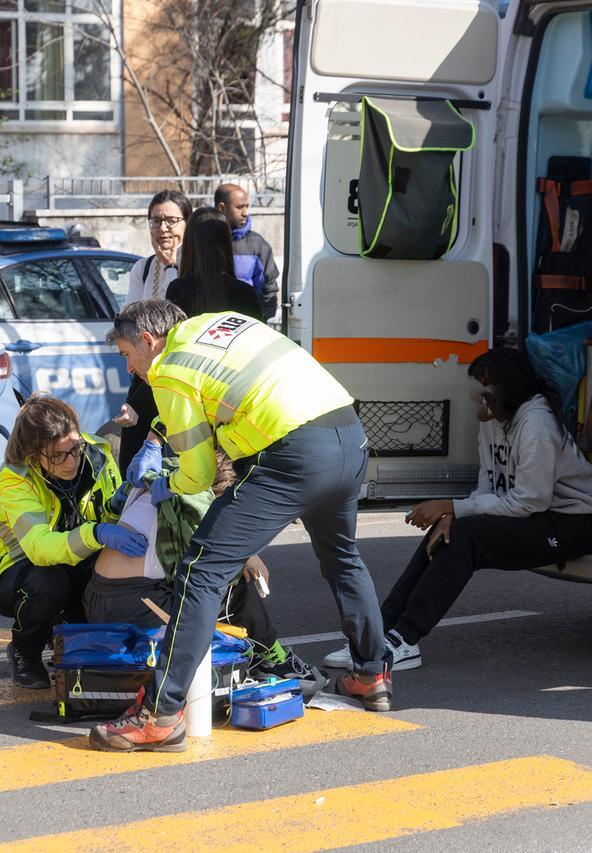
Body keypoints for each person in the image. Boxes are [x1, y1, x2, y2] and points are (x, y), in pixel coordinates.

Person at [90, 301, 392, 753]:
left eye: (125, 354)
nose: (131, 368)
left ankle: (160, 714)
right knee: (343, 559)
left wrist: (164, 481)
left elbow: (194, 473)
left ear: (148, 342)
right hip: (349, 437)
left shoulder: (169, 368)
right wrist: (159, 431)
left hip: (291, 456)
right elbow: (218, 392)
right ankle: (372, 676)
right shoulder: (223, 324)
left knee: (201, 570)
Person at [358, 347, 592, 672]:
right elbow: (490, 487)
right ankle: (378, 635)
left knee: (464, 536)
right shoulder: (494, 420)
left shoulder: (536, 423)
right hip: (538, 513)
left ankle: (405, 639)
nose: (477, 400)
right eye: (476, 392)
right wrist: (453, 513)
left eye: (483, 393)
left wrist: (454, 507)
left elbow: (531, 500)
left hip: (575, 521)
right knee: (445, 532)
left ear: (506, 391)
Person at [82, 451, 326, 695]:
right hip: (138, 607)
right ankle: (273, 659)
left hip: (101, 599)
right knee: (234, 586)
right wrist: (247, 557)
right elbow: (209, 572)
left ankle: (259, 653)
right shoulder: (193, 502)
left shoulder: (159, 478)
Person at [0, 395, 148, 689]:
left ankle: (69, 638)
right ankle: (24, 651)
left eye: (75, 449)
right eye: (57, 456)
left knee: (110, 577)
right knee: (50, 585)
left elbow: (110, 515)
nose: (71, 461)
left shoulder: (97, 453)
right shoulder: (16, 478)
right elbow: (40, 548)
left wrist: (126, 498)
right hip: (15, 568)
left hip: (76, 555)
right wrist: (97, 533)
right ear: (33, 453)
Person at [116, 190, 193, 473]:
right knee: (131, 460)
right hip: (146, 372)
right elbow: (129, 322)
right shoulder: (144, 268)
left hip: (179, 378)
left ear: (187, 223)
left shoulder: (192, 270)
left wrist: (175, 266)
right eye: (156, 221)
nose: (163, 229)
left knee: (174, 461)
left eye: (171, 221)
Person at [164, 208, 264, 322]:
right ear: (226, 243)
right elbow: (258, 336)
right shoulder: (245, 292)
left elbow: (172, 337)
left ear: (189, 244)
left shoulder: (178, 290)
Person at [215, 183, 280, 321]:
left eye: (246, 206)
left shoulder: (257, 244)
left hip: (248, 326)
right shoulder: (205, 241)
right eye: (239, 207)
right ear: (222, 208)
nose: (245, 213)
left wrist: (260, 319)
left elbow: (269, 287)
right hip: (210, 327)